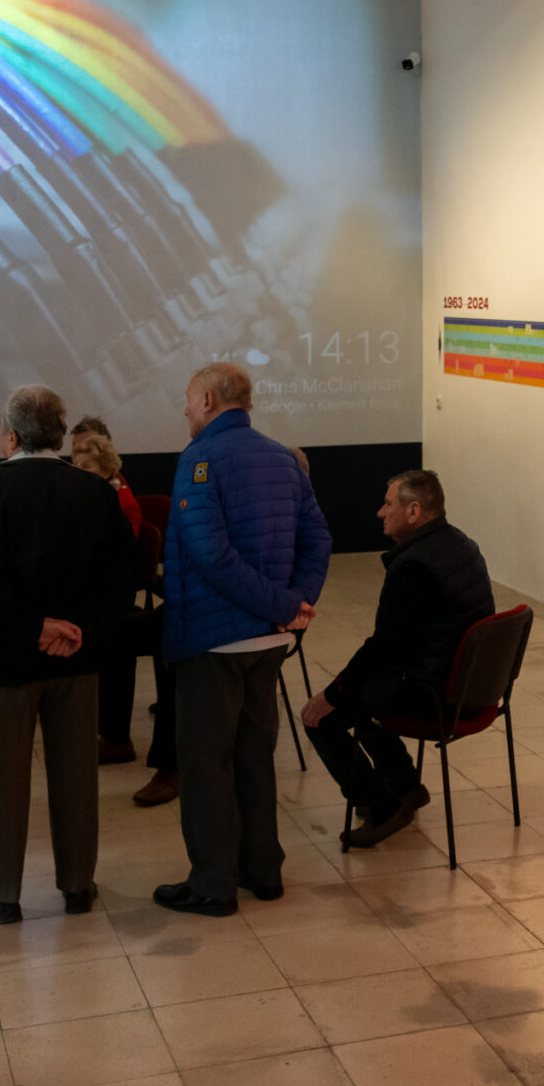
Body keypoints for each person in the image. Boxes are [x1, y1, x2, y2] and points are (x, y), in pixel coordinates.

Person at [0, 385, 135, 925]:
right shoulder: (95, 492)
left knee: (2, 785)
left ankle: (1, 895)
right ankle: (77, 886)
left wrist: (32, 628)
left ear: (11, 437)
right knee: (77, 779)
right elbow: (120, 577)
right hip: (75, 658)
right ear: (58, 434)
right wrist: (74, 630)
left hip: (3, 660)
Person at [152, 362, 329, 917]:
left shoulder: (199, 459)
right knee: (254, 757)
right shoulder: (283, 457)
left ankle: (213, 884)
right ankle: (263, 871)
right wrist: (294, 604)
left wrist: (282, 606)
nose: (184, 409)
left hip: (215, 640)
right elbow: (318, 538)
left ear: (207, 399)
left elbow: (209, 555)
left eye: (188, 398)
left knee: (205, 764)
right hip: (268, 642)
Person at [301, 471, 494, 848]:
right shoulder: (460, 543)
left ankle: (384, 806)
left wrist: (332, 693)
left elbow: (385, 648)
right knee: (368, 692)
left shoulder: (415, 567)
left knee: (321, 718)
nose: (380, 512)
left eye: (389, 504)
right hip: (470, 686)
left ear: (414, 511)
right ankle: (405, 787)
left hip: (437, 694)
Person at [73, 434, 152, 765]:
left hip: (114, 595)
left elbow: (113, 558)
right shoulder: (88, 497)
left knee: (108, 636)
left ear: (106, 470)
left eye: (87, 466)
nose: (79, 471)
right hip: (97, 589)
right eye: (75, 465)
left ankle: (114, 736)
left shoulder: (121, 502)